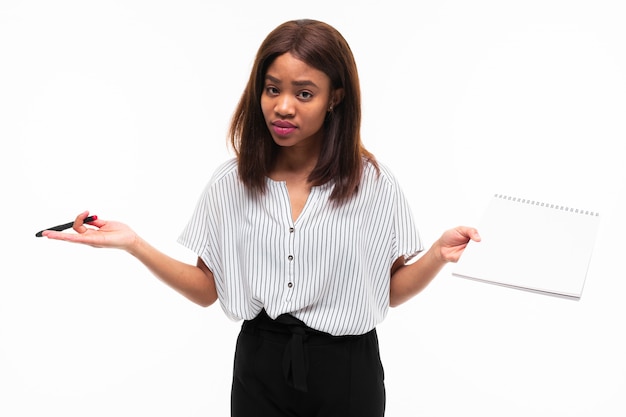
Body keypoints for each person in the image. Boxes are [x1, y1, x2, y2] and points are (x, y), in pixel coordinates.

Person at [42, 19, 480, 417]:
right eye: (272, 89)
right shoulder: (230, 182)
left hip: (347, 371)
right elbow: (207, 291)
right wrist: (134, 243)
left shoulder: (372, 183)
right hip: (259, 367)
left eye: (304, 93)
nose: (283, 107)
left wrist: (438, 255)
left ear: (335, 98)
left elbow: (387, 291)